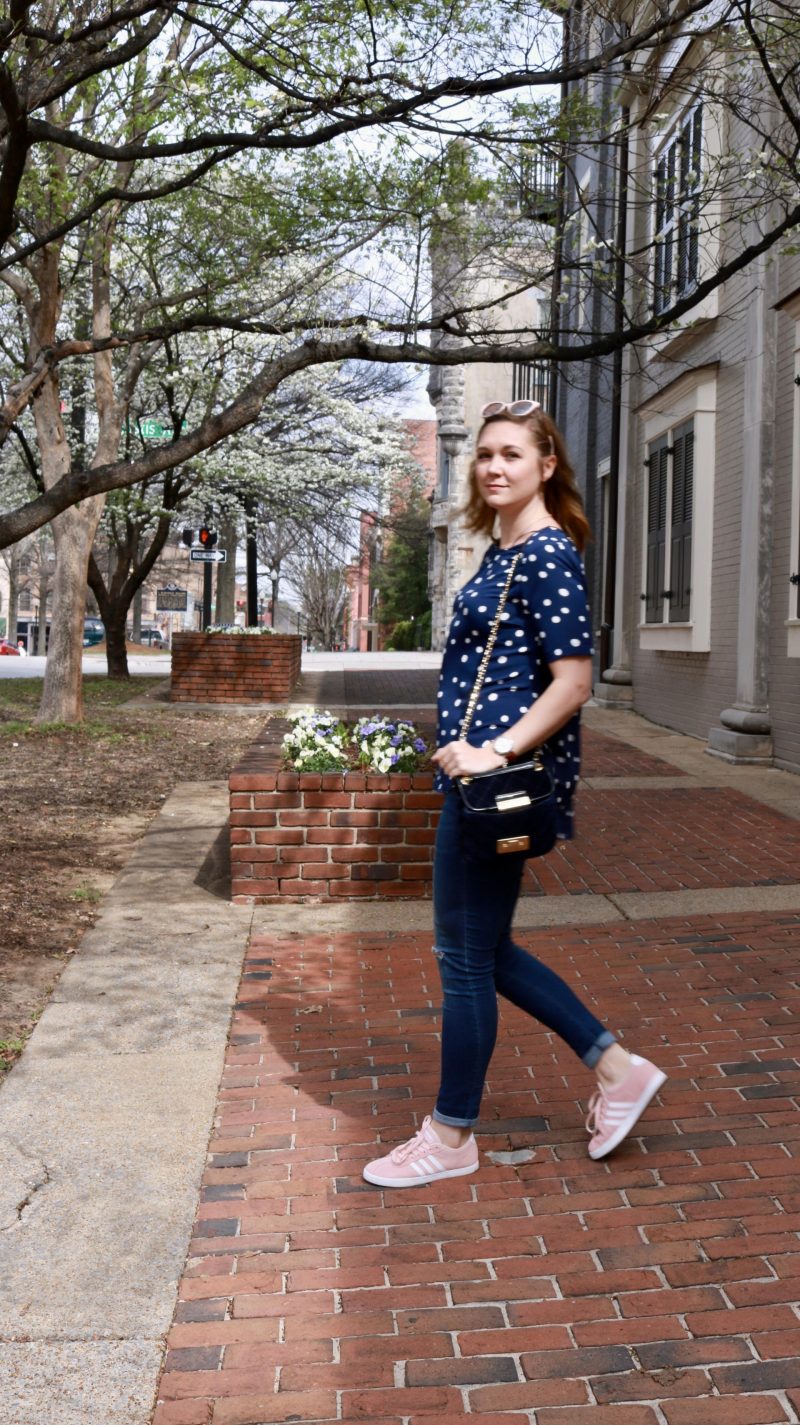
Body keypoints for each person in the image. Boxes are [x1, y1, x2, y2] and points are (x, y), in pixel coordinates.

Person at [363, 399, 666, 1188]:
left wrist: (490, 748)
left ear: (546, 466)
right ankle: (617, 1069)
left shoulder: (545, 553)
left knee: (462, 957)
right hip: (476, 779)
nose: (494, 466)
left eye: (512, 455)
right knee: (483, 950)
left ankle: (451, 1133)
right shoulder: (502, 554)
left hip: (497, 780)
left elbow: (574, 683)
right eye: (485, 454)